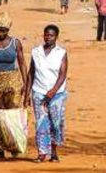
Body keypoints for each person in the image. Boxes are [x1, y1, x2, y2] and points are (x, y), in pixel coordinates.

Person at [0, 12, 27, 160]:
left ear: (8, 30)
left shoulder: (15, 43)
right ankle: (0, 149)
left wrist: (26, 83)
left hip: (12, 79)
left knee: (12, 113)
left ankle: (14, 146)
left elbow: (22, 63)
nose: (1, 33)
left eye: (4, 30)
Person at [25, 25, 68, 163]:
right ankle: (42, 153)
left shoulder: (61, 53)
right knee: (41, 123)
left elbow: (62, 74)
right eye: (46, 35)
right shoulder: (36, 52)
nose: (48, 37)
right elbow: (31, 73)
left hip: (57, 94)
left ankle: (54, 152)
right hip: (38, 92)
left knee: (56, 123)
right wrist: (26, 94)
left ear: (56, 37)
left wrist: (53, 91)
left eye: (51, 35)